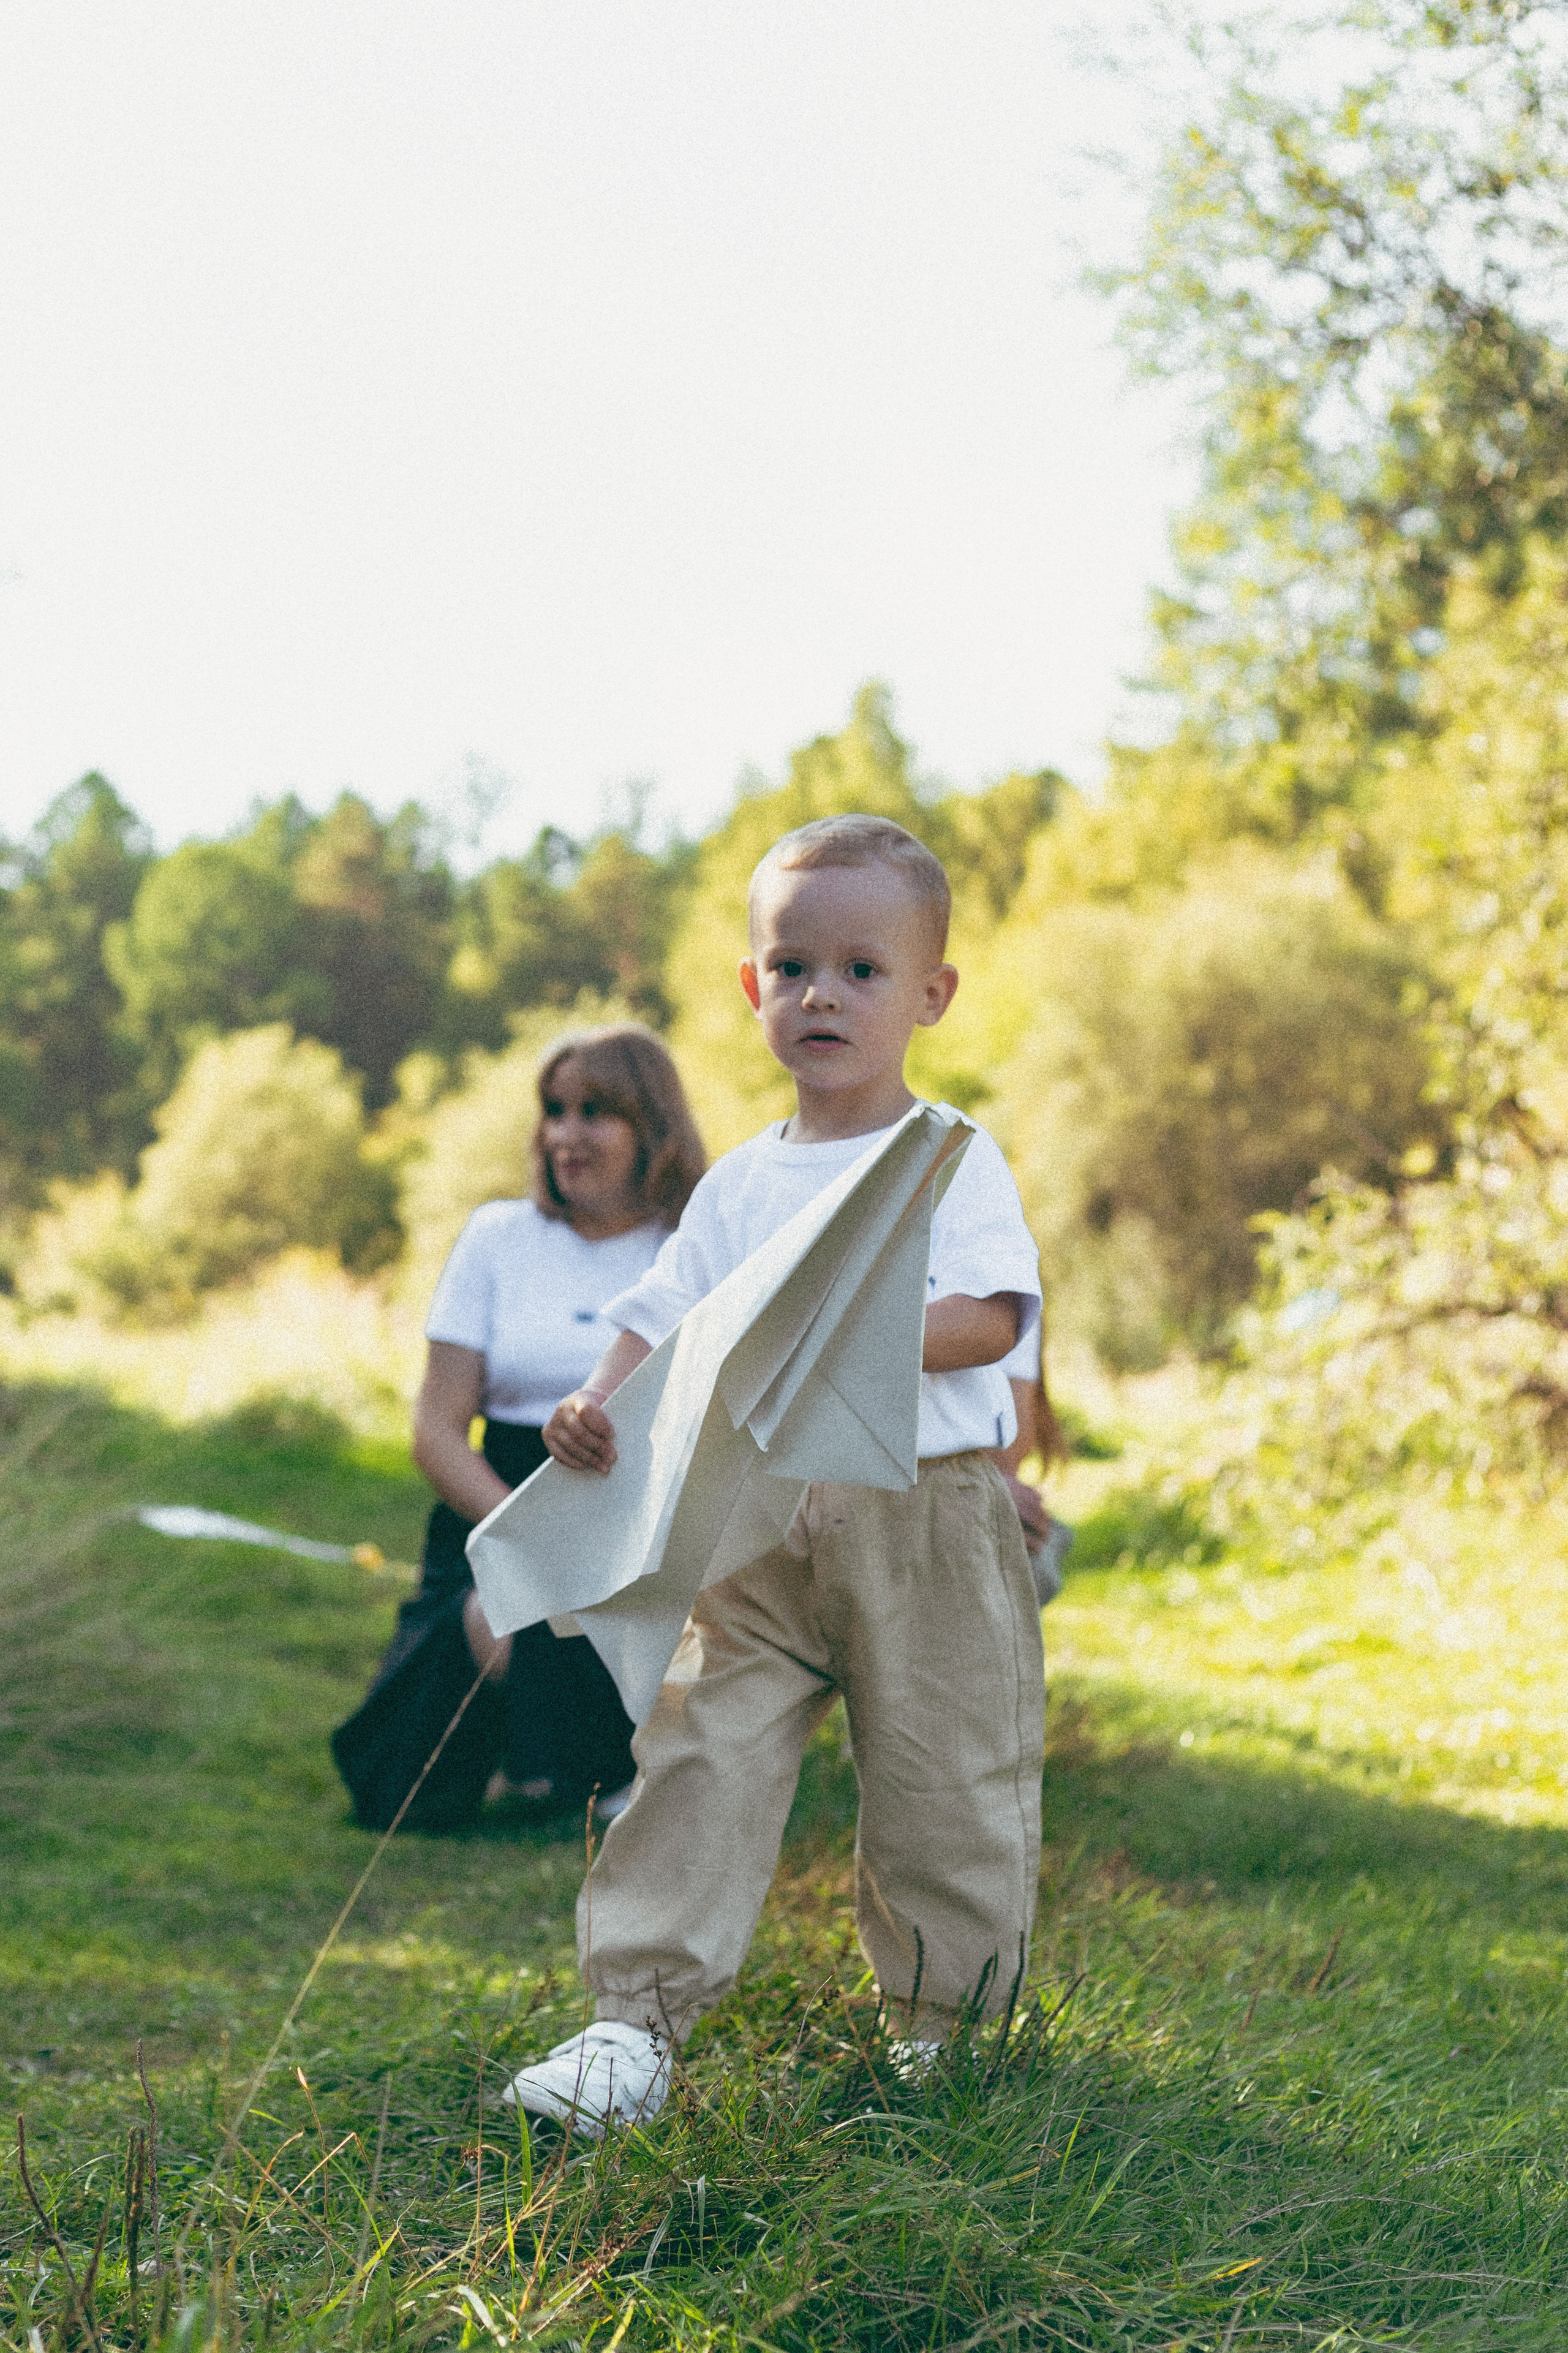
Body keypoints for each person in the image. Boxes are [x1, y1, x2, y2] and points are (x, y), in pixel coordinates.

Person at [504, 814, 1047, 2132]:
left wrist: (844, 1335)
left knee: (942, 1769)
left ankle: (943, 2031)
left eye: (863, 969)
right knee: (698, 1748)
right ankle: (630, 2025)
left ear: (930, 994)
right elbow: (658, 1313)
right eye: (793, 965)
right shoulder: (741, 1182)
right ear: (751, 989)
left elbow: (991, 1317)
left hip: (925, 1511)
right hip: (752, 1516)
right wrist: (593, 1403)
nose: (823, 993)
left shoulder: (945, 1154)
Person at [330, 1024, 706, 1834]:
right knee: (396, 1787)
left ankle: (590, 1763)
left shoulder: (693, 1247)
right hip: (493, 1507)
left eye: (595, 1111)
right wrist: (527, 1529)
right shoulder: (497, 1236)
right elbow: (435, 1427)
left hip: (642, 1518)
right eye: (555, 1109)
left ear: (656, 1126)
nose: (565, 1133)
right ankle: (550, 1756)